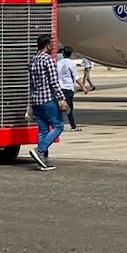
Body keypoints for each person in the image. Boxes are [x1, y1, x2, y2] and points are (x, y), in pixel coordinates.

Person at [28, 33, 64, 169]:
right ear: (47, 45)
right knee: (58, 126)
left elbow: (31, 83)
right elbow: (53, 82)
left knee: (43, 130)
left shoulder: (33, 60)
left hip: (35, 100)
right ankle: (40, 150)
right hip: (47, 99)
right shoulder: (47, 59)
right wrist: (62, 98)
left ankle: (43, 162)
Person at [57, 47, 81, 130]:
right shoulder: (71, 63)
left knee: (60, 107)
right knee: (69, 107)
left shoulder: (58, 63)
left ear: (63, 54)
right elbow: (76, 77)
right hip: (68, 88)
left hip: (59, 87)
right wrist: (83, 86)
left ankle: (56, 123)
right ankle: (73, 125)